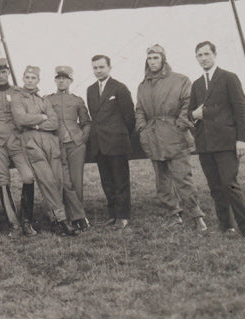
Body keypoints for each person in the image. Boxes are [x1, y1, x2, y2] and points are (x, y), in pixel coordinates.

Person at [188, 41, 245, 240]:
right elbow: (190, 112)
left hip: (227, 142)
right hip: (205, 144)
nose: (204, 58)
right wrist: (193, 114)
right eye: (200, 55)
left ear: (215, 54)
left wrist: (241, 139)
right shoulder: (197, 84)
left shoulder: (228, 78)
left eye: (207, 54)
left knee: (229, 184)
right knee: (215, 187)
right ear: (196, 58)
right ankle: (226, 225)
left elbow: (241, 109)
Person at [135, 44, 207, 232]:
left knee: (183, 178)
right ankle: (174, 214)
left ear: (163, 60)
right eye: (149, 58)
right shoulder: (143, 85)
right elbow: (139, 109)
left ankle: (197, 215)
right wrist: (142, 128)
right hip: (152, 137)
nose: (152, 62)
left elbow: (188, 103)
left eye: (156, 58)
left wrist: (180, 124)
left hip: (175, 135)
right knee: (162, 181)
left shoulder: (180, 80)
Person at [11, 65, 83, 236]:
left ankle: (55, 221)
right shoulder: (17, 98)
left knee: (57, 180)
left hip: (50, 141)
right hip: (32, 141)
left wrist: (36, 123)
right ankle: (62, 221)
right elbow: (21, 119)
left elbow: (54, 122)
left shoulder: (43, 100)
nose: (30, 81)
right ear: (23, 78)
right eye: (27, 77)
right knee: (47, 180)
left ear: (38, 80)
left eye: (33, 78)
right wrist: (41, 118)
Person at [0, 58, 37, 237]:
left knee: (28, 176)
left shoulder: (19, 92)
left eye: (4, 72)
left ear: (8, 73)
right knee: (3, 180)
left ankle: (27, 221)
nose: (1, 76)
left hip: (17, 139)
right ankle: (14, 225)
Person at [86, 54, 135, 230]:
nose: (98, 71)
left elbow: (129, 118)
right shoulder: (91, 90)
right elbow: (94, 116)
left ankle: (123, 216)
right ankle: (112, 214)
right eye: (95, 68)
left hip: (116, 142)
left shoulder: (119, 88)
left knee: (120, 181)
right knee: (107, 182)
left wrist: (118, 134)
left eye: (102, 67)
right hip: (99, 144)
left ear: (109, 67)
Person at [45, 65, 92, 231]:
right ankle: (68, 215)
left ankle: (77, 217)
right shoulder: (47, 99)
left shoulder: (77, 100)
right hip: (56, 144)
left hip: (75, 144)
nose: (61, 81)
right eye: (58, 78)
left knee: (76, 180)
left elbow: (86, 122)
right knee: (62, 181)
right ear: (55, 80)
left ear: (70, 81)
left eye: (65, 78)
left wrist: (82, 138)